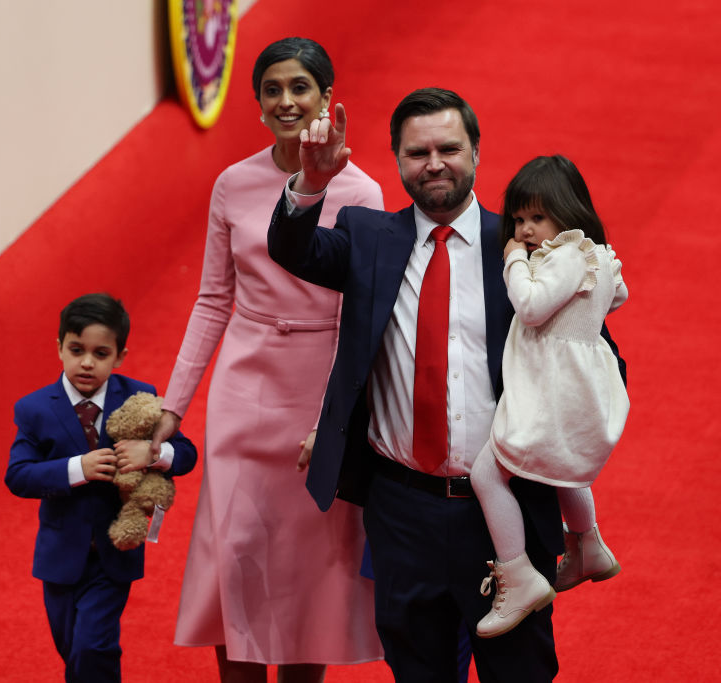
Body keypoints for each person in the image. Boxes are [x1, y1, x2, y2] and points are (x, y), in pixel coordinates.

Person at [266, 88, 625, 681]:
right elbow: (290, 248)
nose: (434, 164)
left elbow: (595, 358)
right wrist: (311, 182)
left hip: (507, 506)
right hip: (402, 510)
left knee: (519, 673)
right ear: (397, 160)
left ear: (477, 153)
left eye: (449, 149)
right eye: (417, 152)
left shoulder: (525, 250)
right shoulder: (367, 238)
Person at [149, 37, 384, 682]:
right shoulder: (232, 184)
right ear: (256, 101)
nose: (286, 101)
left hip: (319, 384)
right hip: (244, 385)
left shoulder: (362, 193)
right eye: (272, 89)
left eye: (299, 87)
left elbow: (364, 316)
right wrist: (174, 406)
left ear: (327, 98)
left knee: (310, 561)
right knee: (236, 548)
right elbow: (211, 300)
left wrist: (337, 417)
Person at [471, 155, 629, 638]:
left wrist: (515, 260)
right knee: (562, 467)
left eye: (537, 217)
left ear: (567, 210)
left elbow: (531, 306)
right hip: (578, 385)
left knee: (486, 473)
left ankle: (517, 573)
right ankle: (587, 546)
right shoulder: (596, 255)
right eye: (518, 219)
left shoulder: (564, 255)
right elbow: (618, 295)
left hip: (549, 388)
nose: (523, 230)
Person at [4, 293, 198, 683]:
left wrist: (153, 452)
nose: (87, 362)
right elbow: (18, 475)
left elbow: (188, 453)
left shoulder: (139, 396)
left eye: (101, 353)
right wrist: (78, 468)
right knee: (73, 651)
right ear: (59, 348)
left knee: (94, 646)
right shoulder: (34, 408)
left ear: (120, 356)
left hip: (114, 552)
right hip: (60, 556)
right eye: (77, 350)